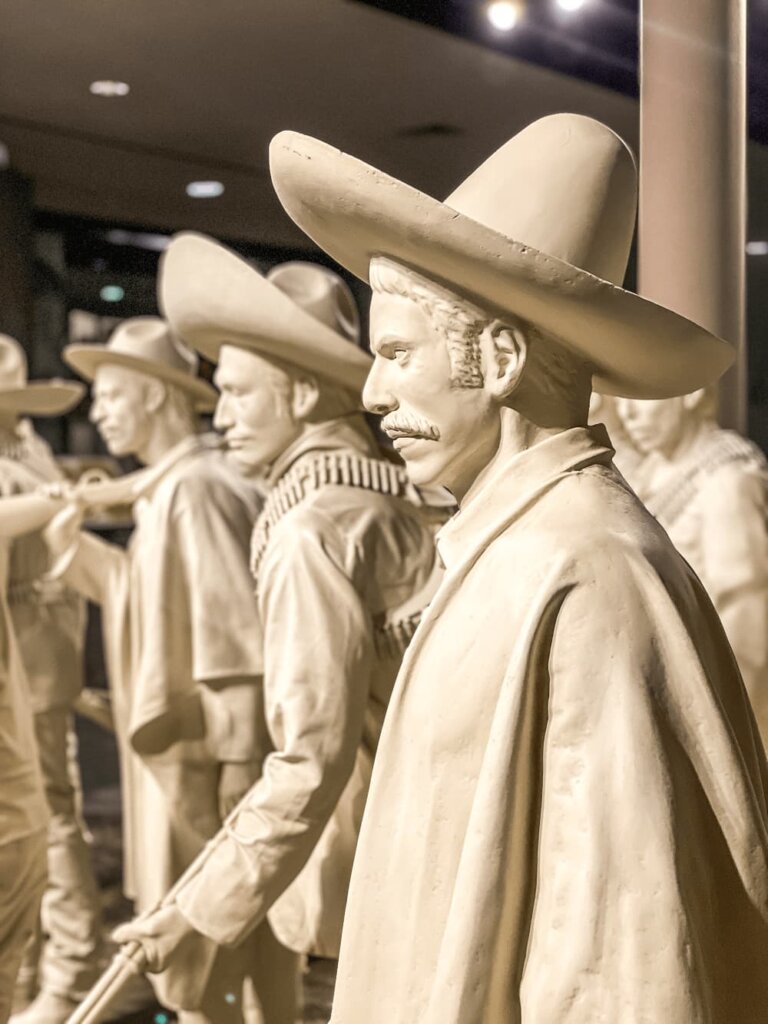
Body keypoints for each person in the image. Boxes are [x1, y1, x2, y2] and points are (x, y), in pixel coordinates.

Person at [267, 112, 768, 1022]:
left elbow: (626, 968)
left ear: (497, 359)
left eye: (397, 354)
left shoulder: (587, 573)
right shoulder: (517, 549)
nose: (374, 393)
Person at [112, 238, 442, 1011]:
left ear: (296, 395)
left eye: (236, 394)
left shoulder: (312, 533)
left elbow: (310, 758)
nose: (219, 416)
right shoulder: (395, 497)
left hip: (373, 860)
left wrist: (194, 911)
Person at [43, 318, 290, 1023]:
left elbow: (236, 635)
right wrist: (82, 548)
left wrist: (241, 779)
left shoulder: (195, 490)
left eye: (112, 397)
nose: (97, 413)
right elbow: (158, 603)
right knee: (228, 943)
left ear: (153, 396)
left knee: (208, 946)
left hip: (211, 760)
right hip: (202, 753)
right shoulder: (179, 487)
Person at [0, 337, 100, 1024]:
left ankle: (65, 969)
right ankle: (39, 967)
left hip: (33, 663)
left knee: (49, 817)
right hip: (24, 659)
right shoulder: (25, 451)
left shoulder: (25, 446)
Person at [618, 390, 768, 747]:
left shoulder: (727, 483)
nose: (628, 414)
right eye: (621, 400)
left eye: (641, 395)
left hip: (711, 711)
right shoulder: (648, 472)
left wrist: (719, 737)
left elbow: (745, 624)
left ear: (691, 393)